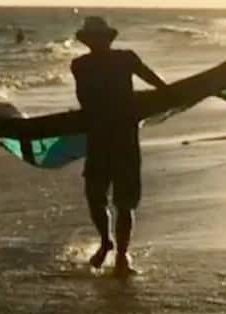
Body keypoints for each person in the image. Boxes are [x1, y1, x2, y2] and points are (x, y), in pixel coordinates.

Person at [70, 16, 166, 275]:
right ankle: (111, 247)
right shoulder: (124, 59)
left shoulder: (81, 65)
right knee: (110, 198)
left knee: (107, 198)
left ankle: (117, 251)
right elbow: (157, 84)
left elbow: (84, 99)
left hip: (103, 136)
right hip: (120, 135)